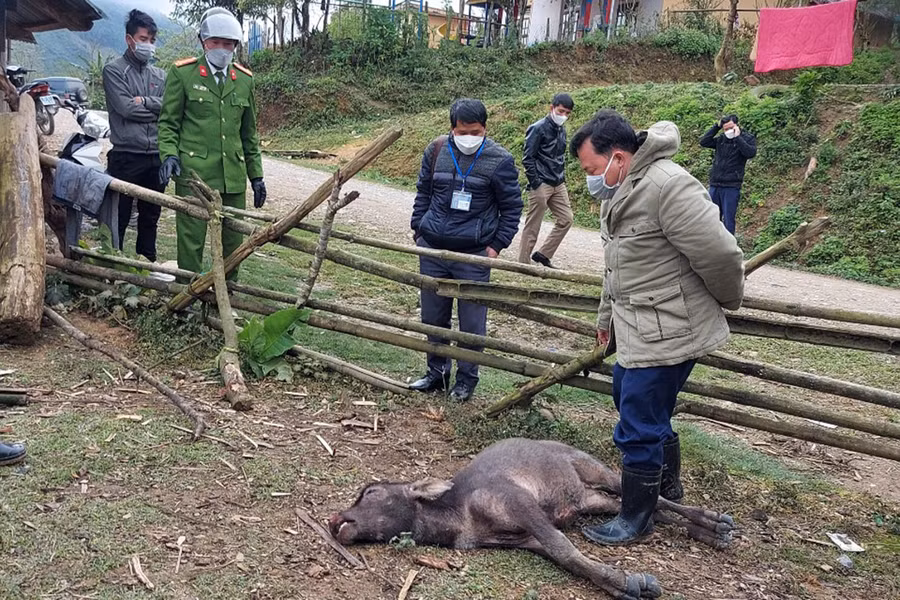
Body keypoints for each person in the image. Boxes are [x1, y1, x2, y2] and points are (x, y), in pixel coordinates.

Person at [570, 110, 744, 546]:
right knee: (630, 396)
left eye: (591, 169)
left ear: (618, 157)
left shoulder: (668, 186)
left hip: (670, 326)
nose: (590, 179)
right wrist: (605, 321)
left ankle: (636, 517)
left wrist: (726, 301)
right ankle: (667, 488)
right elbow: (617, 268)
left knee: (638, 418)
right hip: (637, 324)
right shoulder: (621, 190)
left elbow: (721, 254)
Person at [409, 99, 523, 402]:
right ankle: (436, 373)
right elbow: (423, 192)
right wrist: (418, 229)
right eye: (462, 132)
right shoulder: (436, 151)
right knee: (433, 318)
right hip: (433, 249)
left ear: (485, 128)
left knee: (471, 324)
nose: (469, 137)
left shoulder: (500, 160)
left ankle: (466, 381)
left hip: (473, 254)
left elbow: (512, 208)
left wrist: (495, 247)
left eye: (475, 132)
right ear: (452, 129)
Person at [157, 7, 266, 281]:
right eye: (215, 42)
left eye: (228, 44)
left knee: (233, 243)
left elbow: (249, 134)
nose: (221, 49)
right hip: (195, 174)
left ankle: (229, 292)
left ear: (235, 45)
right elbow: (169, 123)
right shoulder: (183, 74)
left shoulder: (244, 80)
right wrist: (169, 155)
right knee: (191, 241)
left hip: (232, 177)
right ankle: (188, 295)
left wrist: (256, 176)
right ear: (203, 42)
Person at [102, 9, 171, 275]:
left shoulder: (160, 76)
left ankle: (146, 266)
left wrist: (145, 102)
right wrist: (156, 108)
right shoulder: (114, 70)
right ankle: (113, 267)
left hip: (156, 155)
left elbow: (170, 109)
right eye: (143, 39)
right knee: (118, 214)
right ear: (129, 39)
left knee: (151, 215)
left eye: (152, 40)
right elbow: (125, 109)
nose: (148, 45)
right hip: (126, 155)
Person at [519, 93, 575, 269]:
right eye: (561, 111)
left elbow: (559, 156)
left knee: (566, 219)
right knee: (533, 224)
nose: (563, 115)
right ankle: (523, 264)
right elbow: (528, 158)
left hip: (558, 182)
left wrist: (561, 178)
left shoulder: (562, 130)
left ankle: (543, 254)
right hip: (541, 182)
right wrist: (535, 182)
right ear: (552, 108)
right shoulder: (537, 128)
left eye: (567, 113)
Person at [699, 114, 757, 235]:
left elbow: (750, 153)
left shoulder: (747, 138)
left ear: (737, 125)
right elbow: (704, 142)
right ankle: (714, 242)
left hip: (731, 185)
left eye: (731, 128)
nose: (728, 131)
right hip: (715, 184)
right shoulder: (721, 139)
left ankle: (729, 243)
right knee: (713, 217)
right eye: (725, 129)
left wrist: (738, 137)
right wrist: (716, 127)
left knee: (728, 219)